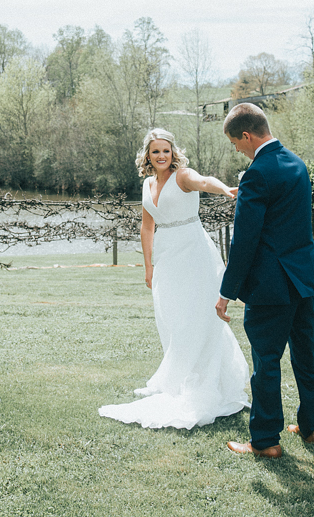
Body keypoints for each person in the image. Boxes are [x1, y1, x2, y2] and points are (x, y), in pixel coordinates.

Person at [99, 128, 250, 429]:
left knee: (197, 318)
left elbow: (204, 182)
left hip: (194, 253)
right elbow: (146, 228)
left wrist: (227, 190)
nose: (162, 156)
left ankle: (204, 386)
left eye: (166, 150)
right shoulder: (147, 184)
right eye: (156, 151)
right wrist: (148, 266)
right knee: (171, 318)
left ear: (173, 152)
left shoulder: (183, 176)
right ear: (148, 156)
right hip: (167, 257)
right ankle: (180, 378)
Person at [217, 103, 314, 458]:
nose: (237, 150)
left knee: (267, 361)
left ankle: (265, 441)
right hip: (302, 281)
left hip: (269, 286)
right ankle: (310, 428)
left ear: (247, 136)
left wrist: (226, 293)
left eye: (236, 143)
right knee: (306, 356)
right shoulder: (297, 164)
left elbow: (244, 241)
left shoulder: (257, 174)